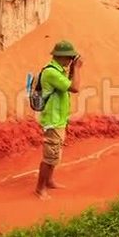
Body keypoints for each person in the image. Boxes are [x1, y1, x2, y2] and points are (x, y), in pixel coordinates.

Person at [35, 40, 83, 200]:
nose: (71, 60)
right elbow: (75, 88)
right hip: (53, 121)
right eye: (69, 57)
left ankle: (49, 181)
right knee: (49, 156)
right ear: (61, 57)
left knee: (55, 154)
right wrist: (77, 68)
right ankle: (40, 189)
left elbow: (67, 84)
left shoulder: (58, 70)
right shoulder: (51, 72)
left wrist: (70, 69)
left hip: (59, 119)